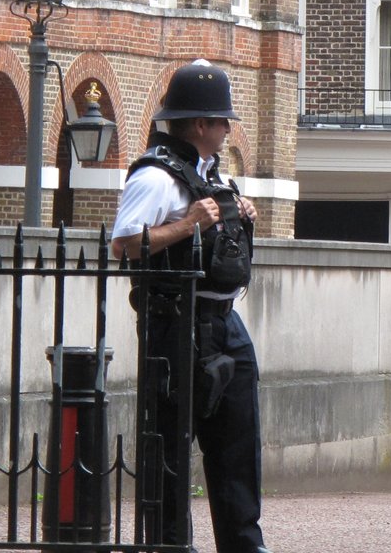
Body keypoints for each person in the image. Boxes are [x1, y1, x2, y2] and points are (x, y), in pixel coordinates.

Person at [111, 59, 269, 553]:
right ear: (201, 124)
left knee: (238, 445)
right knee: (171, 446)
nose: (228, 130)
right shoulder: (154, 177)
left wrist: (237, 211)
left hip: (225, 322)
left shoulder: (209, 173)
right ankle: (170, 545)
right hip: (176, 322)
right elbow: (124, 245)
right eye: (223, 121)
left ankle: (245, 545)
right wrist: (187, 225)